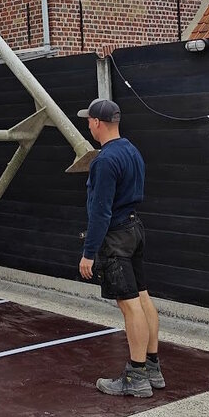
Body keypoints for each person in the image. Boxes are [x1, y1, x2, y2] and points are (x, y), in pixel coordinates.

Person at [77, 98, 164, 398]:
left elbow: (100, 211)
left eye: (89, 120)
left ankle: (136, 376)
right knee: (142, 296)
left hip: (116, 235)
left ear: (98, 123)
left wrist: (89, 252)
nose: (87, 124)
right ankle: (152, 367)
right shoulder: (131, 150)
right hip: (135, 228)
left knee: (129, 305)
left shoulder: (103, 161)